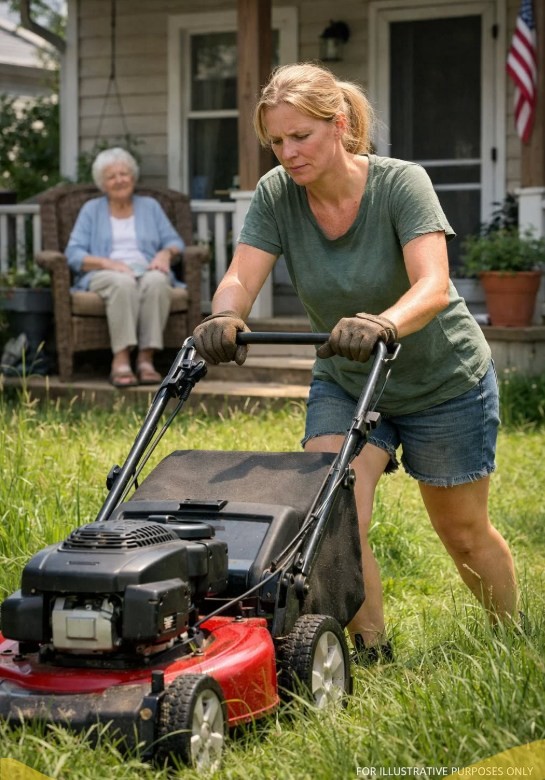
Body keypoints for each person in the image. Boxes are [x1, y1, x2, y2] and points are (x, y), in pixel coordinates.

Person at [192, 63, 518, 663]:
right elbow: (242, 274)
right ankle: (371, 650)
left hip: (440, 382)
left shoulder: (400, 184)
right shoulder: (277, 194)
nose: (288, 153)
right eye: (277, 142)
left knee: (464, 534)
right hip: (347, 377)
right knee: (337, 515)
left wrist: (383, 323)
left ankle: (512, 639)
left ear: (339, 125)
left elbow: (435, 285)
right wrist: (224, 315)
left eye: (301, 137)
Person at [66, 147, 185, 387]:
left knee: (158, 281)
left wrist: (164, 254)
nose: (120, 180)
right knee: (122, 282)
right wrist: (107, 263)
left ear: (133, 176)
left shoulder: (150, 206)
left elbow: (175, 243)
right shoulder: (91, 210)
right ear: (103, 183)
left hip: (147, 270)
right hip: (105, 273)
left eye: (124, 173)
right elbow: (73, 253)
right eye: (112, 176)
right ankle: (120, 359)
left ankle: (145, 358)